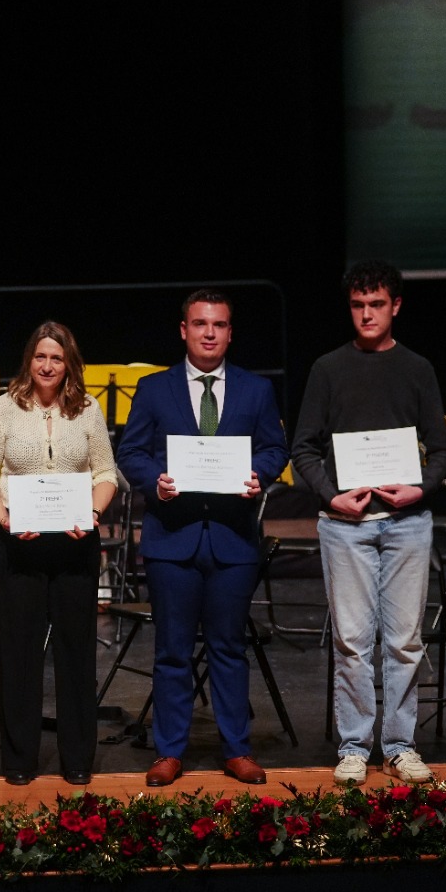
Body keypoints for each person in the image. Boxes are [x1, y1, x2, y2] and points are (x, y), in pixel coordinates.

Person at [116, 291, 288, 787]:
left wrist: (259, 473)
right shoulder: (153, 389)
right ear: (183, 330)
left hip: (233, 540)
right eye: (200, 324)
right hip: (173, 538)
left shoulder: (256, 391)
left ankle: (237, 749)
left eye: (219, 325)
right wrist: (156, 482)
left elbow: (274, 448)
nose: (209, 333)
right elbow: (131, 453)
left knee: (229, 648)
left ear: (230, 333)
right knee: (171, 650)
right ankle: (170, 751)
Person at [291, 260, 446, 786]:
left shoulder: (418, 368)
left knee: (404, 641)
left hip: (407, 522)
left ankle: (401, 745)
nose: (366, 314)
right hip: (345, 526)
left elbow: (442, 450)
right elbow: (304, 448)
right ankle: (355, 746)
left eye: (376, 304)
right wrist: (332, 496)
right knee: (353, 641)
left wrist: (421, 488)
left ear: (395, 306)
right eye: (358, 305)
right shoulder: (327, 369)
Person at [0, 321, 115, 785]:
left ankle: (77, 760)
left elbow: (105, 473)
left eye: (56, 357)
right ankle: (19, 760)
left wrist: (93, 513)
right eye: (40, 357)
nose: (48, 365)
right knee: (20, 655)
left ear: (69, 362)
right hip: (21, 546)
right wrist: (6, 518)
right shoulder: (3, 409)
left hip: (76, 545)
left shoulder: (89, 410)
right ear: (28, 361)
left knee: (77, 656)